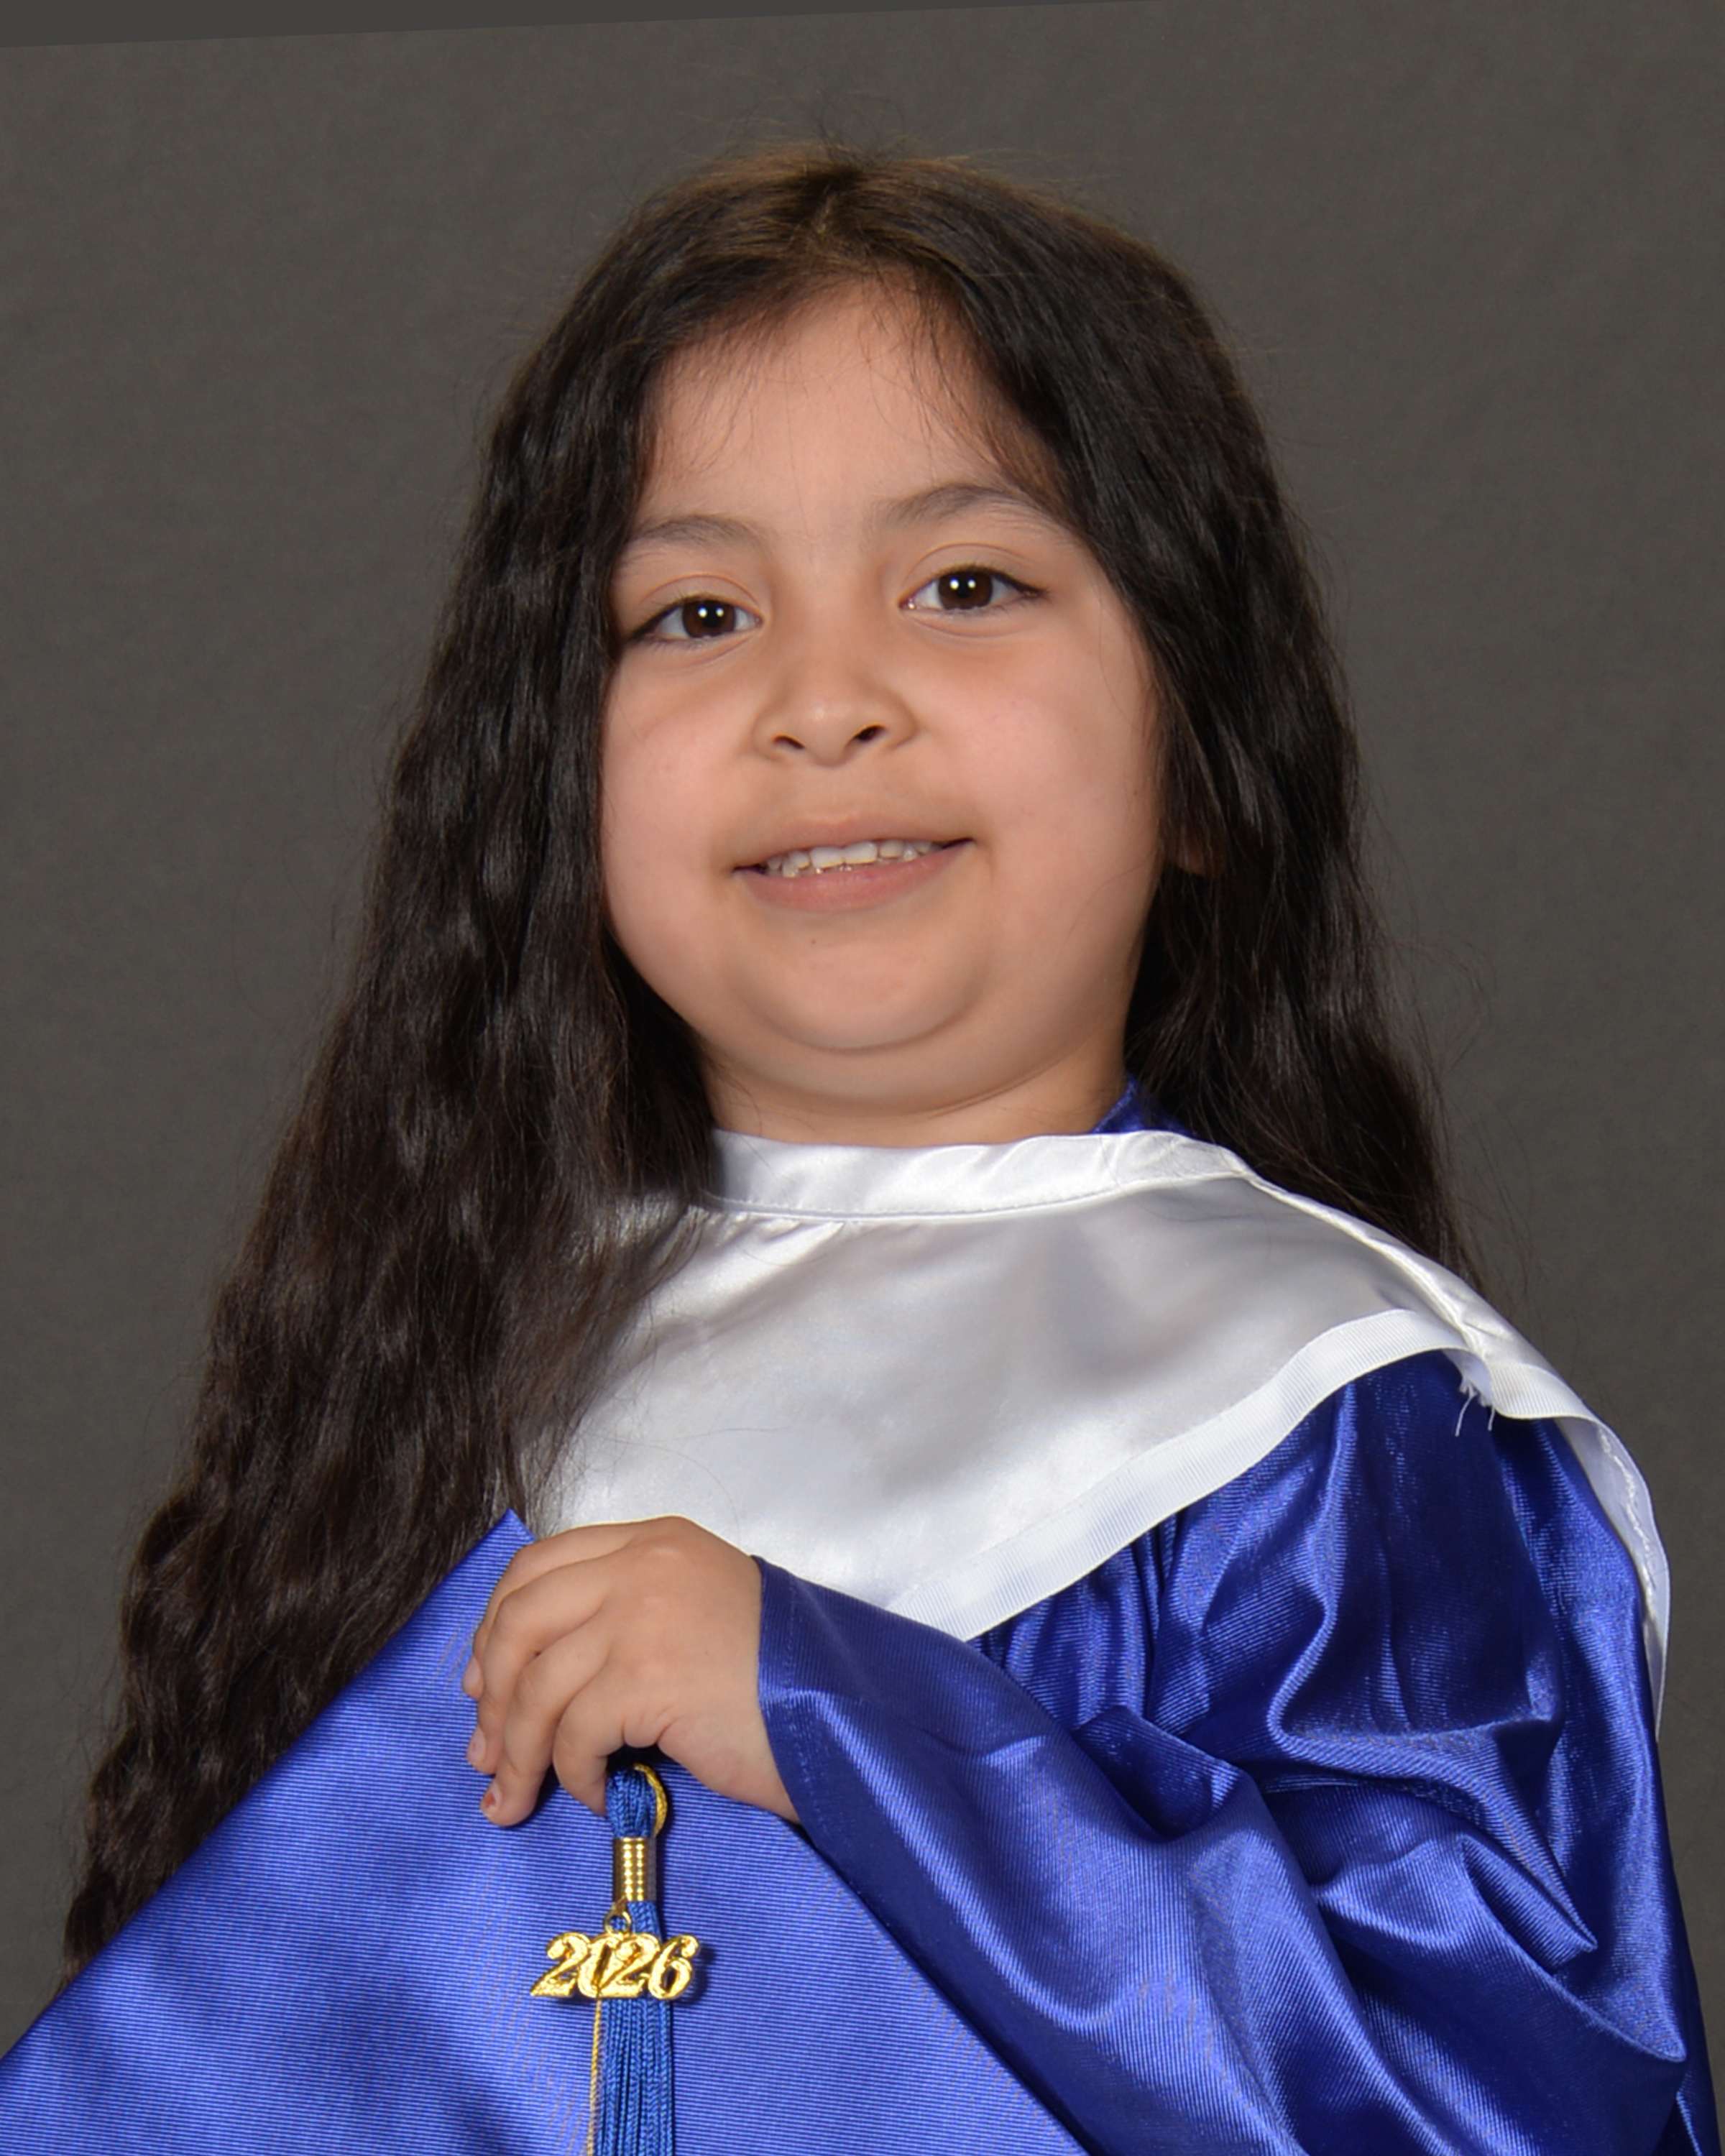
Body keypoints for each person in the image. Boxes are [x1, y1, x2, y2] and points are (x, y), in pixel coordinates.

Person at [17, 148, 1718, 2152]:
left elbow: (1491, 2103)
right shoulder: (453, 1384)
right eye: (698, 612)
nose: (823, 703)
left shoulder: (1320, 1418)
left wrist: (833, 1713)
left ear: (1205, 761)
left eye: (965, 587)